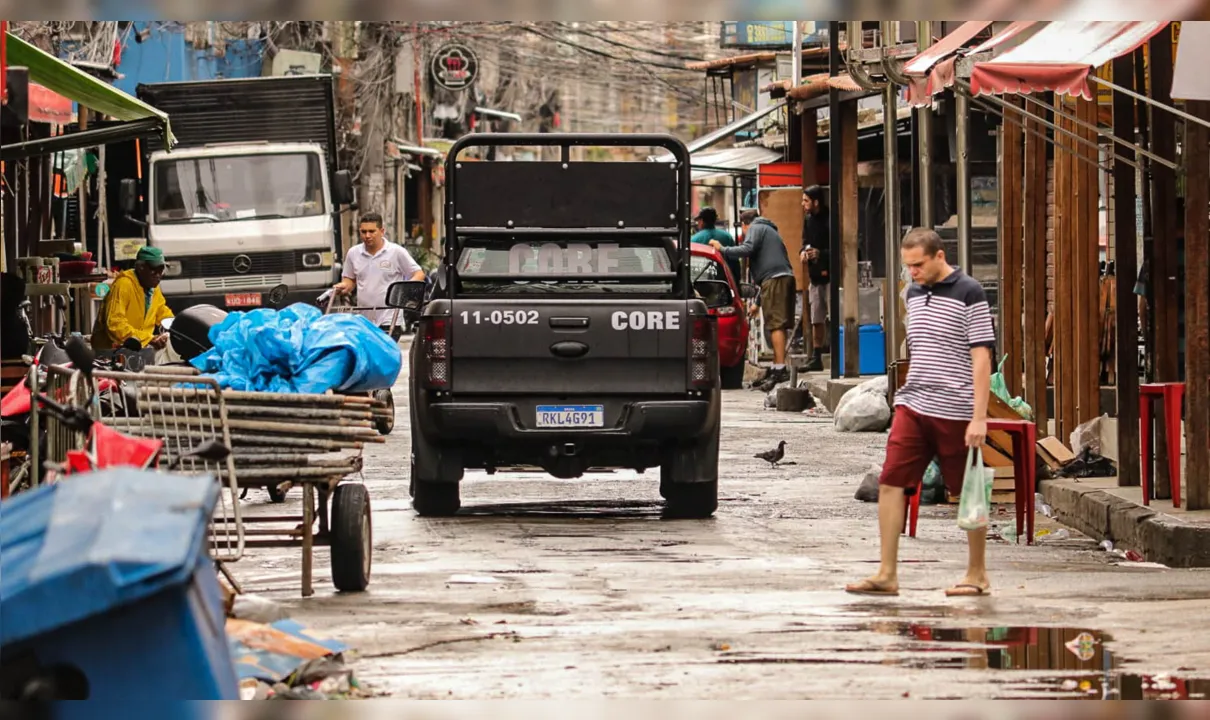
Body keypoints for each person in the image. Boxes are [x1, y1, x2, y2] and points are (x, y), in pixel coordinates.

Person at [845, 227, 996, 598]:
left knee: (968, 490)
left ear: (939, 256)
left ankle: (977, 574)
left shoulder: (969, 292)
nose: (912, 272)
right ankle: (887, 572)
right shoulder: (913, 293)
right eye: (907, 266)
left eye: (918, 265)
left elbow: (981, 357)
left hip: (956, 407)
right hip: (914, 404)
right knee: (891, 481)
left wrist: (979, 416)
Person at [710, 209, 795, 388]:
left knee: (776, 324)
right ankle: (777, 365)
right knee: (777, 324)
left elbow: (748, 249)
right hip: (777, 278)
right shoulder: (767, 229)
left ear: (744, 225)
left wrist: (722, 249)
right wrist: (757, 302)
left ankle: (780, 369)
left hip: (776, 279)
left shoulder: (756, 227)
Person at [332, 212, 426, 334]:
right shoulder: (353, 253)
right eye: (363, 232)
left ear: (382, 231)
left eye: (372, 231)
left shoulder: (396, 252)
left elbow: (418, 274)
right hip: (364, 320)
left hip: (390, 319)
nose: (367, 235)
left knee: (381, 352)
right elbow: (349, 280)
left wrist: (403, 291)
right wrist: (343, 286)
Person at [92, 246, 174, 352]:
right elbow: (115, 324)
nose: (158, 275)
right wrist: (149, 338)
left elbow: (161, 311)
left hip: (136, 350)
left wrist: (176, 326)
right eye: (154, 270)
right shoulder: (124, 285)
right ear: (140, 267)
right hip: (110, 352)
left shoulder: (153, 287)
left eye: (161, 270)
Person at [799, 185, 831, 371]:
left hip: (833, 275)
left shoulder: (830, 219)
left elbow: (844, 247)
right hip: (815, 275)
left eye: (806, 201)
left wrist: (821, 253)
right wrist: (804, 252)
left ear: (816, 202)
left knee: (836, 316)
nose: (803, 204)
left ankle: (839, 355)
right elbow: (804, 242)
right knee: (816, 318)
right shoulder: (808, 220)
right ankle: (816, 356)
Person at [691, 207, 741, 282]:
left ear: (702, 221)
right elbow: (735, 263)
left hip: (700, 281)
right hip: (725, 282)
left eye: (698, 221)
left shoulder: (694, 239)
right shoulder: (727, 237)